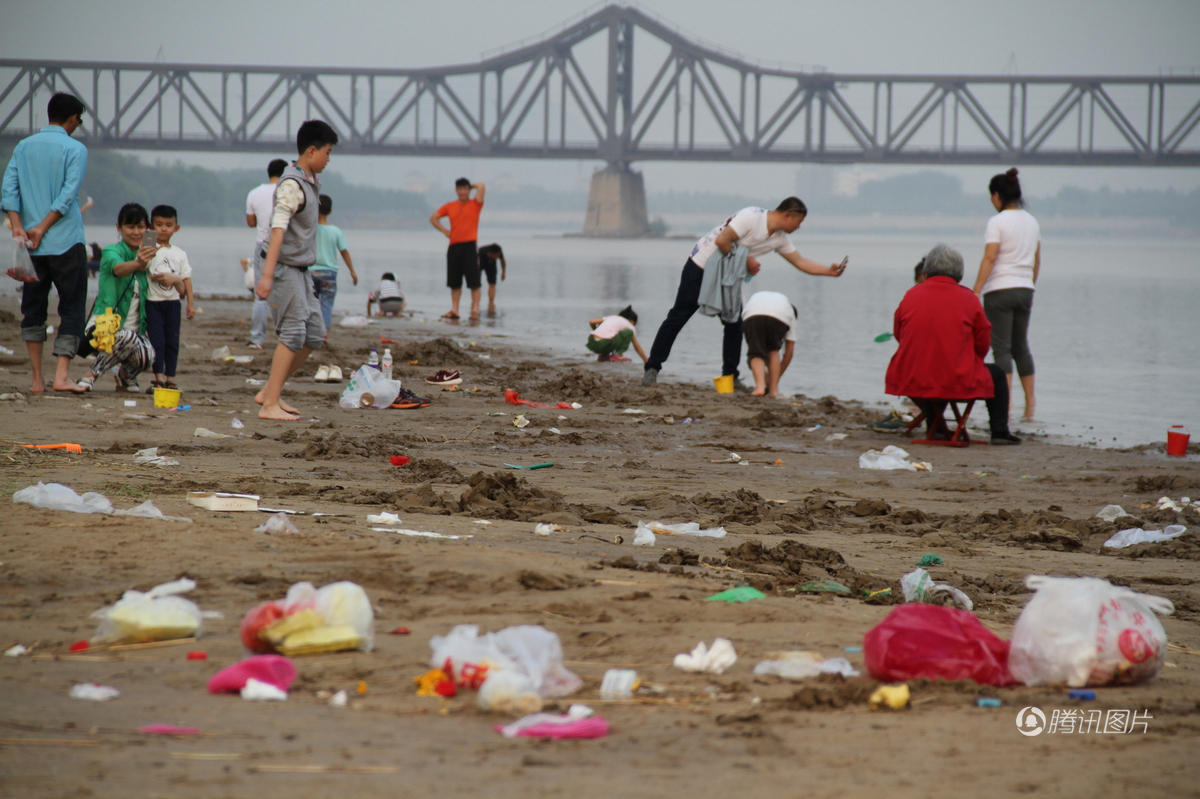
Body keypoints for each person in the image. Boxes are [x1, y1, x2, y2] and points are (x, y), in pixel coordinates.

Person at [642, 197, 846, 387]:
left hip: (729, 273)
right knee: (679, 315)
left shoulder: (780, 239)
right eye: (798, 222)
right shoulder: (751, 217)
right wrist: (747, 260)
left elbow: (800, 262)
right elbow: (723, 241)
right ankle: (652, 367)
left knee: (735, 323)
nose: (799, 227)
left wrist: (829, 271)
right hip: (703, 264)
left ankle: (730, 376)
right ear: (788, 215)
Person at [885, 244, 1021, 445]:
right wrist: (971, 361)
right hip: (955, 376)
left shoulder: (911, 295)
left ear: (927, 270)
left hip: (911, 375)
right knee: (998, 375)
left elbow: (899, 334)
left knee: (929, 376)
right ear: (959, 272)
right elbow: (983, 341)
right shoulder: (968, 299)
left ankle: (937, 427)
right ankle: (999, 432)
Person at [1, 92, 90, 393]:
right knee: (72, 308)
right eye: (79, 119)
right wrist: (43, 227)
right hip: (65, 240)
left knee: (33, 307)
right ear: (73, 119)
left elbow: (8, 190)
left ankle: (37, 379)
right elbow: (68, 195)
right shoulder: (75, 149)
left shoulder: (23, 147)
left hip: (30, 248)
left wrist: (19, 227)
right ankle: (62, 376)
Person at [254, 120, 338, 421]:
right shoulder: (291, 185)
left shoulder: (310, 179)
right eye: (327, 152)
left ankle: (270, 391)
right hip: (282, 267)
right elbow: (277, 230)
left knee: (314, 335)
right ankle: (270, 405)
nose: (329, 158)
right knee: (291, 333)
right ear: (312, 150)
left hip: (302, 269)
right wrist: (265, 276)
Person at [971, 167, 1041, 422]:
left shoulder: (997, 222)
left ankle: (1007, 403)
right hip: (1025, 288)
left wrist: (977, 288)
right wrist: (1030, 286)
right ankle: (1031, 405)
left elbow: (991, 256)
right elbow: (1036, 259)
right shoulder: (1032, 222)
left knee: (1001, 348)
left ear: (998, 196)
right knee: (1021, 347)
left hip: (999, 290)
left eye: (992, 197)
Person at [77, 203, 156, 393]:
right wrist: (138, 263)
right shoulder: (111, 251)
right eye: (130, 227)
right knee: (128, 337)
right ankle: (90, 375)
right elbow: (118, 269)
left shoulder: (152, 254)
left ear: (147, 229)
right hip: (104, 327)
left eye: (141, 227)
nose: (136, 232)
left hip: (134, 332)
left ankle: (126, 376)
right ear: (119, 228)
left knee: (149, 354)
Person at [144, 204, 194, 390]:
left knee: (172, 341)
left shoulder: (180, 254)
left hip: (173, 304)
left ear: (176, 228)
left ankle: (170, 378)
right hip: (153, 302)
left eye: (168, 224)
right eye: (158, 224)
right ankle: (159, 377)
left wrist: (191, 304)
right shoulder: (149, 246)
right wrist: (150, 236)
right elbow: (142, 262)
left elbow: (186, 279)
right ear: (151, 226)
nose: (163, 228)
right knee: (157, 342)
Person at [245, 158, 288, 349]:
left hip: (263, 245)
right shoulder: (287, 192)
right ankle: (287, 339)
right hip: (286, 246)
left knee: (260, 295)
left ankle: (257, 339)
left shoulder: (254, 193)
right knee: (287, 294)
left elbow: (251, 222)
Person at [429, 177, 485, 320]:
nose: (462, 192)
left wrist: (470, 186)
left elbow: (481, 186)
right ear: (456, 191)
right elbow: (434, 218)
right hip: (454, 246)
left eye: (464, 189)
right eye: (459, 189)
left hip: (470, 245)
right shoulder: (450, 205)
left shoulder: (475, 204)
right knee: (454, 282)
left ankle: (475, 309)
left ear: (468, 190)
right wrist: (444, 231)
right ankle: (455, 309)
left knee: (474, 281)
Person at [311, 193, 358, 332]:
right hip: (329, 273)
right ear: (330, 211)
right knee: (326, 304)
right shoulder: (336, 231)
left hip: (310, 271)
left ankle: (310, 333)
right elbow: (344, 252)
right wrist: (352, 272)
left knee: (311, 304)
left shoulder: (310, 229)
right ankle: (324, 335)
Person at [741, 291, 797, 398]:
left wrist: (770, 377)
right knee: (773, 350)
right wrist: (774, 379)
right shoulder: (790, 314)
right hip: (780, 317)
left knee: (755, 352)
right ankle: (773, 390)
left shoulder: (780, 301)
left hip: (752, 313)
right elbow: (789, 353)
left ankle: (759, 387)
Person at [477, 242, 505, 315]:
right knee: (477, 285)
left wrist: (503, 272)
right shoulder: (481, 251)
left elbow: (502, 261)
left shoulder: (498, 252)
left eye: (499, 255)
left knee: (492, 283)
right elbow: (475, 263)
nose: (498, 257)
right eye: (497, 256)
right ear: (491, 253)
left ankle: (491, 302)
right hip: (479, 263)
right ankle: (476, 301)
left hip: (491, 264)